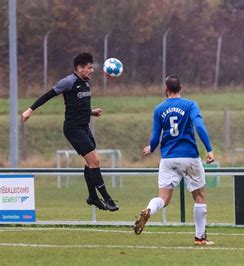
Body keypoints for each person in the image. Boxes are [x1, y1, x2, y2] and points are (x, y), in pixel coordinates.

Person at [21, 52, 118, 212]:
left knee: (90, 163)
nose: (92, 71)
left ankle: (92, 197)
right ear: (79, 68)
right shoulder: (68, 82)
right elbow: (48, 95)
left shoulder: (85, 82)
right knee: (95, 161)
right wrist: (30, 110)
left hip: (84, 127)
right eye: (89, 68)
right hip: (73, 129)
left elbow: (79, 105)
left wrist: (91, 112)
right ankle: (107, 199)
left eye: (92, 68)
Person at [133, 75, 215, 246]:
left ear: (166, 90)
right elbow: (199, 126)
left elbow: (156, 136)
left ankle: (149, 209)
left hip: (168, 158)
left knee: (163, 198)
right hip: (189, 157)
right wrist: (209, 149)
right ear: (181, 88)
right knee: (199, 196)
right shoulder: (190, 105)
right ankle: (200, 238)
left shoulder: (159, 109)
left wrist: (150, 148)